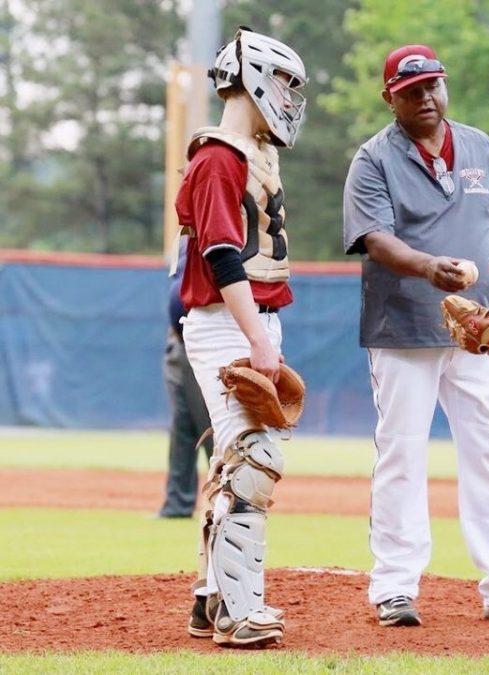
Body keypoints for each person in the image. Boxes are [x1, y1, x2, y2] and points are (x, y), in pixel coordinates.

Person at [342, 44, 489, 629]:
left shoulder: (479, 145)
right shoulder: (373, 159)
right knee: (401, 452)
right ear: (390, 98)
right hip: (402, 327)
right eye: (411, 91)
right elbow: (376, 239)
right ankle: (395, 587)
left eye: (433, 85)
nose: (426, 97)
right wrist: (428, 267)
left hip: (478, 329)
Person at [175, 27, 307, 648]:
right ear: (252, 79)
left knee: (239, 460)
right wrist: (257, 337)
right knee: (256, 460)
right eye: (283, 83)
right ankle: (237, 610)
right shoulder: (219, 157)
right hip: (228, 319)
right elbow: (223, 257)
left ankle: (210, 602)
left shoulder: (249, 151)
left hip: (246, 318)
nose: (288, 96)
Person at [158, 237, 214, 519]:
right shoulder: (184, 238)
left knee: (211, 426)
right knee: (181, 426)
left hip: (204, 339)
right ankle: (176, 505)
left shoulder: (220, 228)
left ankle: (229, 504)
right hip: (177, 342)